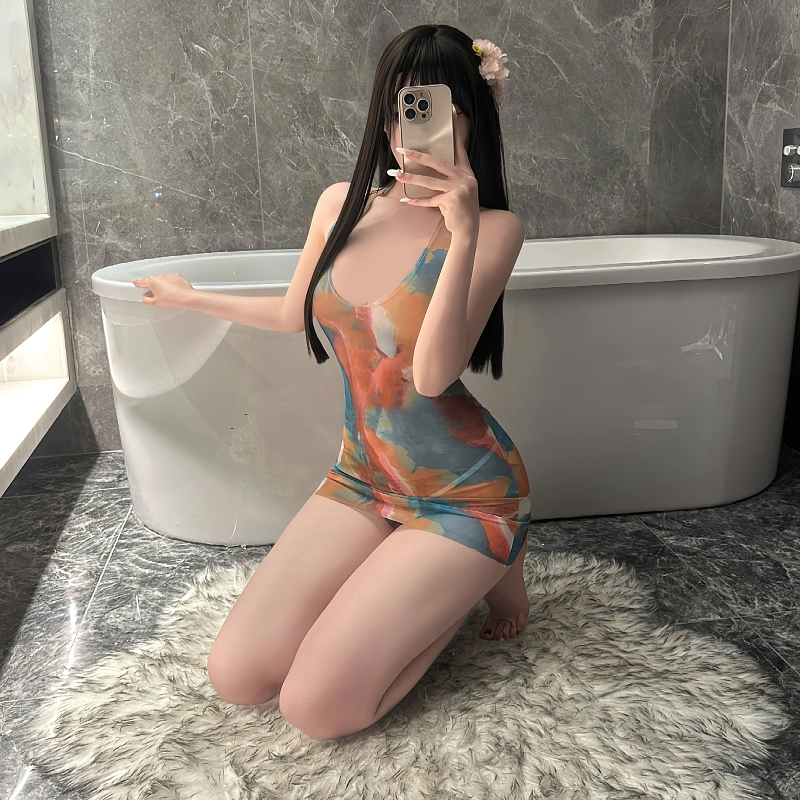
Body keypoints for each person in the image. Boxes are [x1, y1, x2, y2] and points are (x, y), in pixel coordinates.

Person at [131, 24, 530, 742]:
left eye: (436, 107)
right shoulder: (339, 204)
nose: (411, 127)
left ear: (473, 115)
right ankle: (432, 579)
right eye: (401, 105)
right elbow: (295, 313)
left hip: (464, 494)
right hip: (363, 478)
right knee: (238, 675)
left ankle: (470, 581)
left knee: (315, 708)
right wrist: (191, 297)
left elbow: (433, 375)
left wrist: (463, 231)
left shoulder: (495, 228)